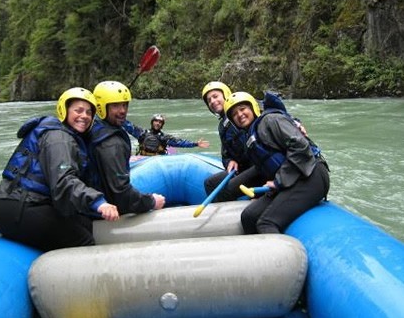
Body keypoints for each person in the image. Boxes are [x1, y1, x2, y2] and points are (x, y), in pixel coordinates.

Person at [0, 87, 120, 252]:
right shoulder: (59, 139)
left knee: (84, 223)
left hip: (19, 205)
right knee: (83, 240)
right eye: (78, 110)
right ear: (64, 110)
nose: (84, 116)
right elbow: (64, 181)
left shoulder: (65, 135)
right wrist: (98, 202)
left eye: (89, 112)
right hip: (21, 207)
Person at [224, 91, 330, 234]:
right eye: (234, 114)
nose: (240, 115)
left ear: (253, 108)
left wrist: (279, 181)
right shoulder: (251, 135)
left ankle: (273, 257)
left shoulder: (271, 120)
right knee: (249, 216)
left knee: (266, 222)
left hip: (311, 174)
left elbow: (300, 146)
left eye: (243, 109)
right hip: (290, 180)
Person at [89, 81, 166, 214]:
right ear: (101, 107)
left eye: (124, 105)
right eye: (116, 105)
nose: (123, 111)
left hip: (96, 199)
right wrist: (151, 201)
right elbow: (122, 194)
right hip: (104, 211)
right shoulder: (112, 144)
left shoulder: (92, 128)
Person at [202, 81, 267, 201]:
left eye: (215, 96)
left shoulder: (244, 106)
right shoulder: (223, 126)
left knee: (227, 191)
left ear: (225, 94)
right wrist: (230, 161)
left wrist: (295, 122)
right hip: (243, 167)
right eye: (209, 100)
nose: (212, 101)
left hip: (260, 164)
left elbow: (272, 113)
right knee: (210, 183)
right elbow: (225, 154)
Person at [123, 114, 210, 156]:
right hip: (142, 159)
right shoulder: (142, 133)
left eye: (160, 122)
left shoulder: (164, 138)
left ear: (162, 125)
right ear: (152, 122)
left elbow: (180, 143)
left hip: (158, 160)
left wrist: (195, 144)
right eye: (156, 121)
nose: (157, 123)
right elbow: (128, 126)